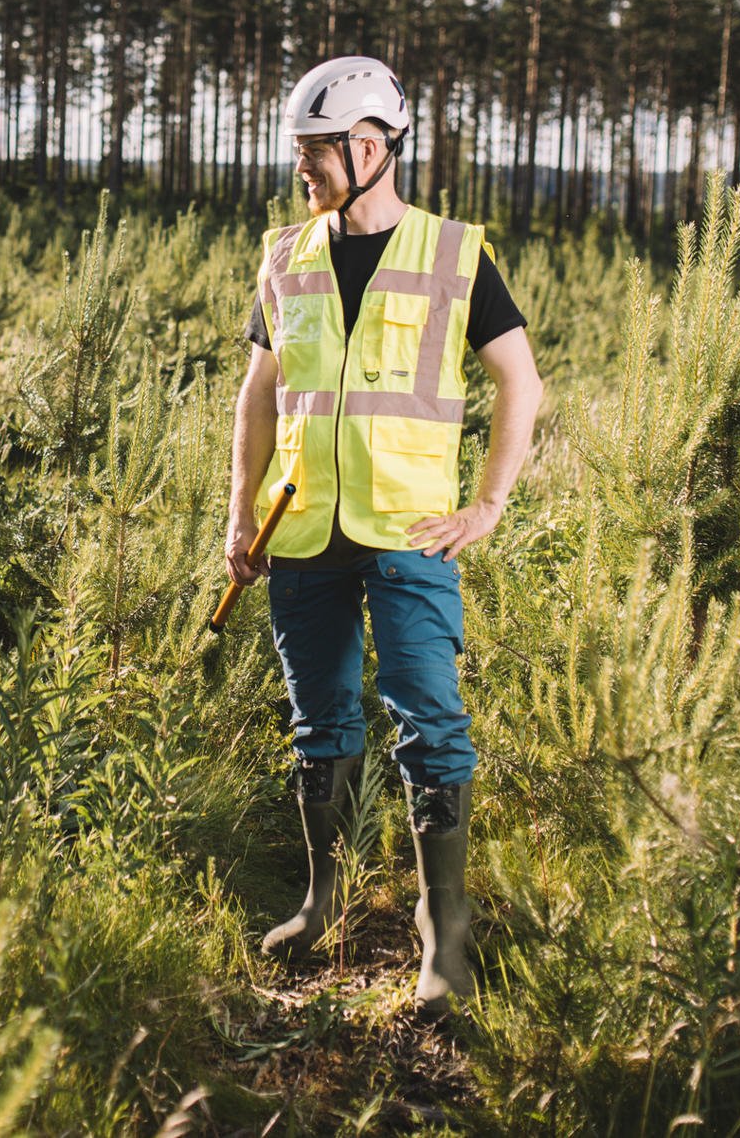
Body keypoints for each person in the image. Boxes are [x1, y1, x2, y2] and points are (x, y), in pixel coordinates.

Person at [226, 55, 543, 1018]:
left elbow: (520, 384)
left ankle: (442, 934)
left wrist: (486, 507)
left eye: (314, 153)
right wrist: (240, 514)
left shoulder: (455, 254)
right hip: (302, 523)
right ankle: (322, 900)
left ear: (370, 147)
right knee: (320, 719)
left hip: (411, 532)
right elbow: (260, 393)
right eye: (299, 154)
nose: (302, 171)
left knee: (429, 720)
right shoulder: (287, 256)